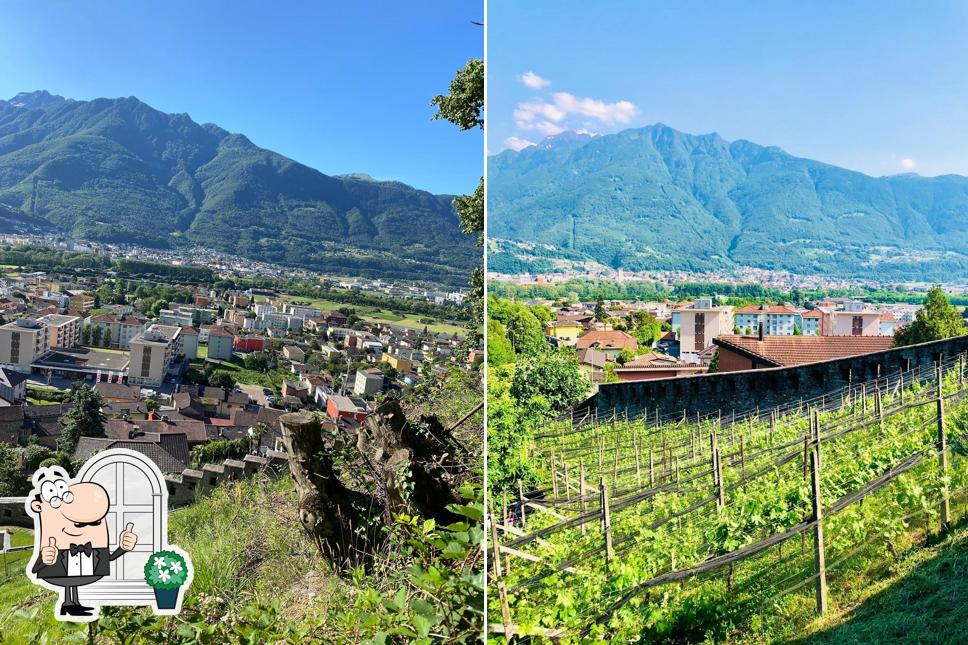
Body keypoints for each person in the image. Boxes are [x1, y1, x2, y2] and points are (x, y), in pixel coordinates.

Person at [27, 466, 138, 617]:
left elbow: (109, 558)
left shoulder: (94, 547)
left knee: (72, 582)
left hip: (84, 570)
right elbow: (35, 569)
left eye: (95, 523)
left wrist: (123, 547)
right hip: (60, 569)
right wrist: (44, 559)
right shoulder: (53, 545)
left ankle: (72, 604)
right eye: (79, 524)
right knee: (69, 582)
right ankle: (68, 604)